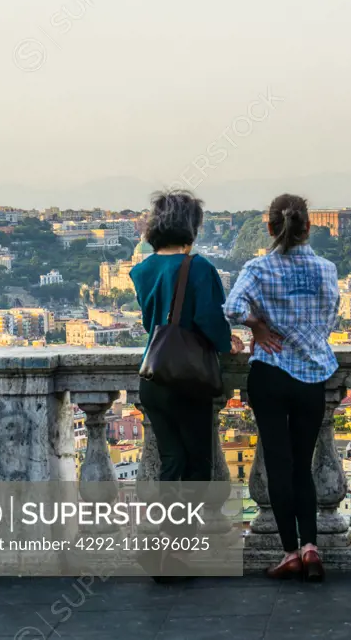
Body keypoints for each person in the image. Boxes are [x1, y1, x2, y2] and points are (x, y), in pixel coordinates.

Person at [225, 194, 339, 582]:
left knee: (278, 463)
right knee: (303, 464)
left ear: (270, 227)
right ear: (308, 227)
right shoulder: (326, 269)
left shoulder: (258, 268)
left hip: (270, 372)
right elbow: (331, 318)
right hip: (311, 373)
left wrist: (257, 326)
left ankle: (289, 551)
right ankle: (311, 548)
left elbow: (232, 308)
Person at [130, 190, 243, 578]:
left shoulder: (141, 270)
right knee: (197, 466)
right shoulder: (200, 268)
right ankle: (177, 552)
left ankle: (161, 545)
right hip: (189, 380)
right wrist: (231, 344)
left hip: (154, 377)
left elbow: (152, 323)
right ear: (190, 226)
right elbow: (211, 321)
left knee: (171, 462)